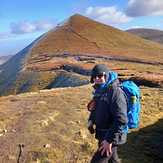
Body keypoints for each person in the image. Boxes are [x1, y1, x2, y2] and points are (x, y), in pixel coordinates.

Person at [88, 64, 128, 163]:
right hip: (103, 133)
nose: (97, 78)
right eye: (94, 76)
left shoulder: (115, 92)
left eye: (100, 76)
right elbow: (96, 109)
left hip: (111, 135)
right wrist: (91, 120)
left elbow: (121, 119)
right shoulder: (100, 90)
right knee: (113, 160)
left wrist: (109, 140)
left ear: (106, 75)